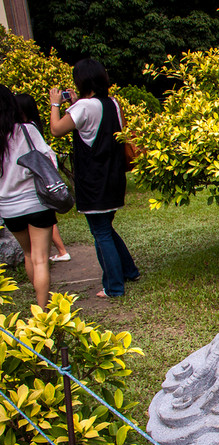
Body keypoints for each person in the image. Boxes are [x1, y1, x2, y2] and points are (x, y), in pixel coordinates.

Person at [49, 58, 140, 297]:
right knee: (105, 228)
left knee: (100, 232)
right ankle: (129, 271)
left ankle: (114, 287)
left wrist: (55, 104)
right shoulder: (112, 103)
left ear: (81, 80)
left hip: (93, 181)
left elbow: (56, 130)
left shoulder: (82, 107)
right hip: (113, 177)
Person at [0, 85, 56, 308]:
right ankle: (42, 314)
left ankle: (39, 303)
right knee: (41, 259)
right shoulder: (26, 130)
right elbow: (49, 159)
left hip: (8, 207)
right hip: (36, 202)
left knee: (29, 254)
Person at [14, 93, 70, 263]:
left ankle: (62, 251)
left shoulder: (22, 130)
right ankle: (61, 251)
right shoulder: (32, 128)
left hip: (17, 201)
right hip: (35, 197)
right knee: (39, 258)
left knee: (31, 255)